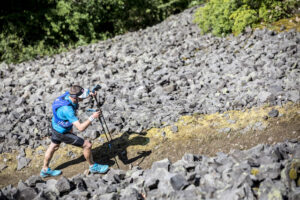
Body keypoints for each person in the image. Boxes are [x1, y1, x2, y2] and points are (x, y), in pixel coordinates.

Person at [40, 85, 109, 177]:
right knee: (87, 145)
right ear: (76, 98)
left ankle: (44, 170)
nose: (84, 99)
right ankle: (93, 167)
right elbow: (80, 128)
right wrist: (93, 117)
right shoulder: (68, 110)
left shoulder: (68, 94)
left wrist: (90, 93)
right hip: (62, 132)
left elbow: (80, 91)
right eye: (82, 97)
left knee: (54, 146)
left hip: (55, 125)